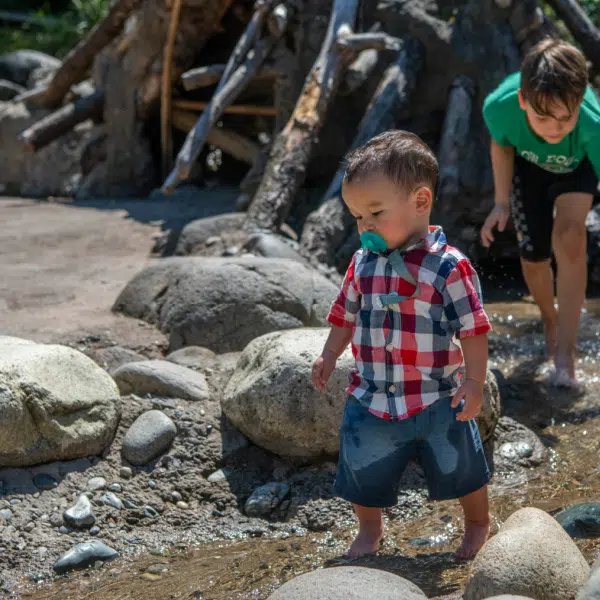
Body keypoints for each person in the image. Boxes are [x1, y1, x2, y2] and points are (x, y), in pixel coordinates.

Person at [312, 130, 493, 560]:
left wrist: (474, 382)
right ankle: (370, 529)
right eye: (358, 216)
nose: (365, 226)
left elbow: (473, 329)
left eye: (376, 212)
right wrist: (329, 354)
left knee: (460, 464)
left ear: (420, 201)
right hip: (372, 393)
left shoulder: (448, 266)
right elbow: (344, 315)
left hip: (437, 395)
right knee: (362, 466)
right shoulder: (362, 264)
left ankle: (477, 522)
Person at [481, 38, 600, 387]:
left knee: (570, 237)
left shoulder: (592, 124)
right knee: (534, 258)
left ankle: (566, 352)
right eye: (543, 117)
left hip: (577, 167)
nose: (554, 128)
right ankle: (550, 319)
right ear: (523, 100)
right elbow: (501, 143)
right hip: (528, 168)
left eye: (565, 118)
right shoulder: (499, 108)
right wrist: (501, 202)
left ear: (580, 103)